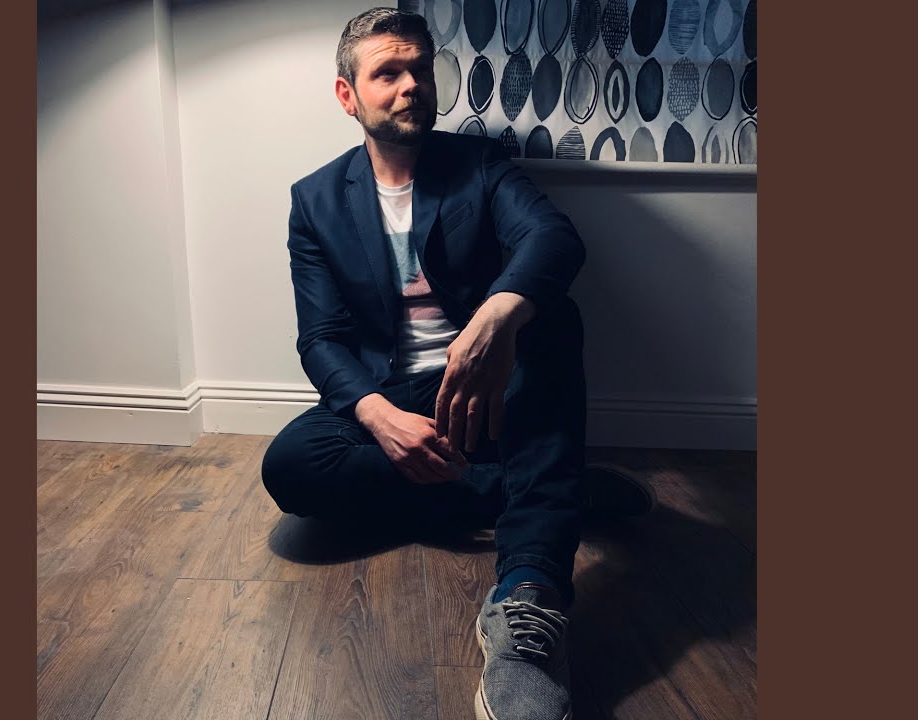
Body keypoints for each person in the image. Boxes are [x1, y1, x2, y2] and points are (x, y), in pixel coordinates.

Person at [260, 8, 649, 719]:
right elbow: (320, 338)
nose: (411, 85)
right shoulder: (314, 200)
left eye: (419, 69)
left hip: (489, 390)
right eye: (388, 73)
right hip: (396, 395)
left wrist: (495, 318)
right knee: (290, 465)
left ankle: (529, 593)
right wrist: (380, 418)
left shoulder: (479, 165)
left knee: (551, 315)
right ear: (348, 95)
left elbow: (553, 238)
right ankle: (548, 492)